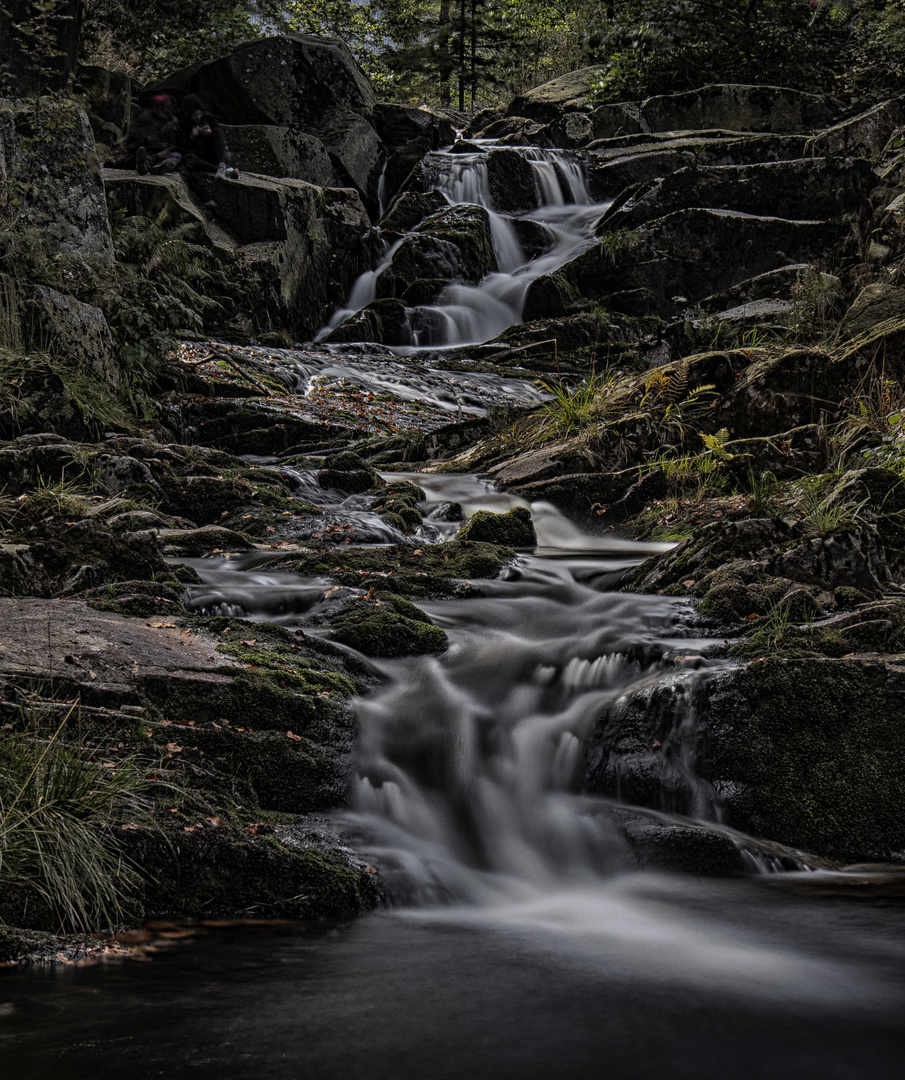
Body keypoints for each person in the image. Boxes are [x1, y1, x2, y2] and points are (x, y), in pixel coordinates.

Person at [178, 94, 238, 178]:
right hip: (198, 156)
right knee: (188, 159)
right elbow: (184, 147)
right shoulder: (184, 123)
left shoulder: (208, 117)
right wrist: (192, 136)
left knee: (217, 131)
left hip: (211, 153)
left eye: (199, 114)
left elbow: (218, 138)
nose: (198, 117)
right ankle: (220, 171)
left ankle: (222, 165)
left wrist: (210, 133)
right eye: (194, 115)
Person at [127, 93, 181, 175]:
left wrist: (165, 151)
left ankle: (160, 167)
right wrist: (147, 138)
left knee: (176, 155)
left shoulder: (173, 120)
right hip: (149, 150)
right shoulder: (145, 116)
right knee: (145, 156)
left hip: (165, 153)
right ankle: (143, 167)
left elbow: (175, 142)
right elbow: (134, 134)